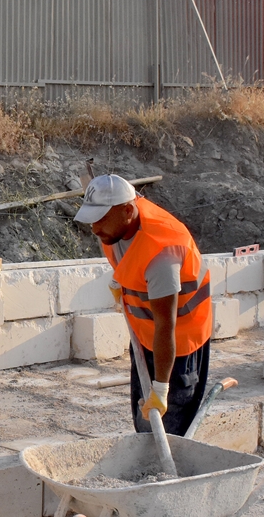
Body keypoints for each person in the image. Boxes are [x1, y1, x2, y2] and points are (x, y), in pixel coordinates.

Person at [74, 175, 212, 437]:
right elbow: (129, 255)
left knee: (168, 429)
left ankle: (168, 461)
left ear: (128, 211)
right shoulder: (118, 222)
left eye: (100, 219)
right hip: (145, 334)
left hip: (178, 344)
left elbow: (165, 326)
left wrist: (161, 389)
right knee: (144, 421)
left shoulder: (162, 255)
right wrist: (121, 280)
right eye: (92, 219)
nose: (94, 229)